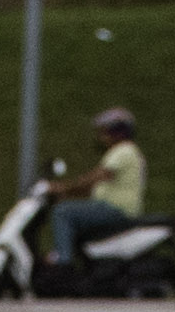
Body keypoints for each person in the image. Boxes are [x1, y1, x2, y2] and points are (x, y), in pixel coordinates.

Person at [48, 104, 149, 269]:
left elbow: (96, 177)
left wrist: (63, 188)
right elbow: (92, 186)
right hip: (113, 208)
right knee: (73, 214)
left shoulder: (123, 151)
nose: (100, 137)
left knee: (63, 212)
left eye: (103, 132)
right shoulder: (127, 151)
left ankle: (63, 264)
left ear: (117, 132)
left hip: (115, 209)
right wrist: (68, 193)